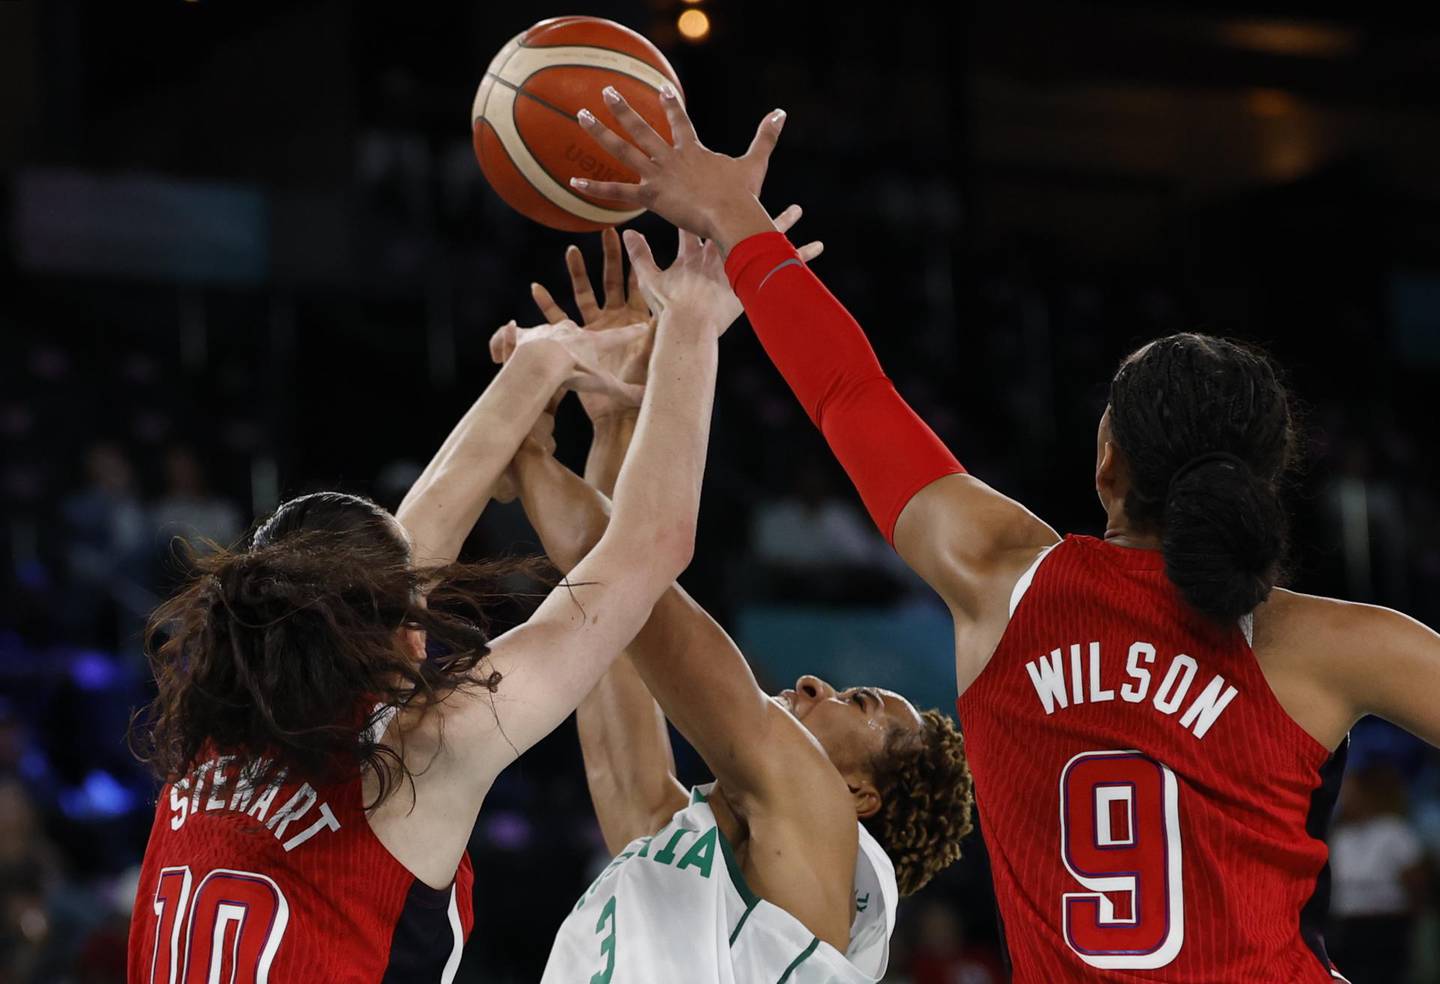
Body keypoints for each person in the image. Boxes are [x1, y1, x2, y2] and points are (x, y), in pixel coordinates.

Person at [573, 83, 1440, 981]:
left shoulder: (1001, 575)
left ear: (1107, 463)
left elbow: (850, 396)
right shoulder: (1335, 645)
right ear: (1266, 484)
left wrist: (732, 213)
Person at [124, 229, 727, 983]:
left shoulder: (207, 754)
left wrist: (542, 366)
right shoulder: (416, 759)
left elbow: (398, 557)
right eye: (411, 608)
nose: (424, 627)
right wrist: (694, 322)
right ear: (373, 632)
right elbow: (652, 546)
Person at [500, 228, 972, 983]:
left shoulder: (813, 805)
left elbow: (634, 582)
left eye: (857, 700)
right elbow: (609, 624)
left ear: (857, 793)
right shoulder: (701, 856)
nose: (817, 684)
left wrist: (519, 439)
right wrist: (616, 420)